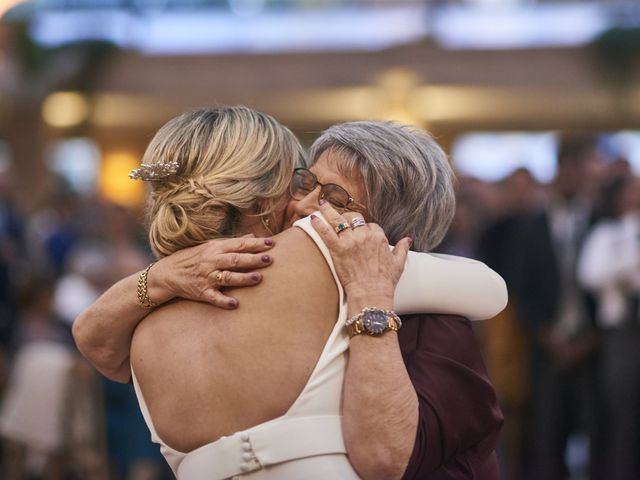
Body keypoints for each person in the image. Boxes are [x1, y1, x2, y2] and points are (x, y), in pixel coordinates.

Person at [73, 106, 507, 479]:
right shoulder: (324, 259)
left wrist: (160, 277)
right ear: (261, 197)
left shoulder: (142, 321)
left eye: (333, 197)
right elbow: (490, 290)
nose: (303, 206)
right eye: (301, 184)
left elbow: (92, 340)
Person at [512, 135, 601, 480]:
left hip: (591, 345)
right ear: (556, 173)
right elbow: (522, 287)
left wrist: (590, 338)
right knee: (546, 433)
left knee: (595, 431)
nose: (570, 178)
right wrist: (546, 334)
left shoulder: (599, 220)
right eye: (565, 170)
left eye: (577, 171)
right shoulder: (532, 224)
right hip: (546, 344)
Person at [578, 174, 640, 480]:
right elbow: (590, 274)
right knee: (621, 414)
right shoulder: (607, 233)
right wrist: (627, 266)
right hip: (621, 332)